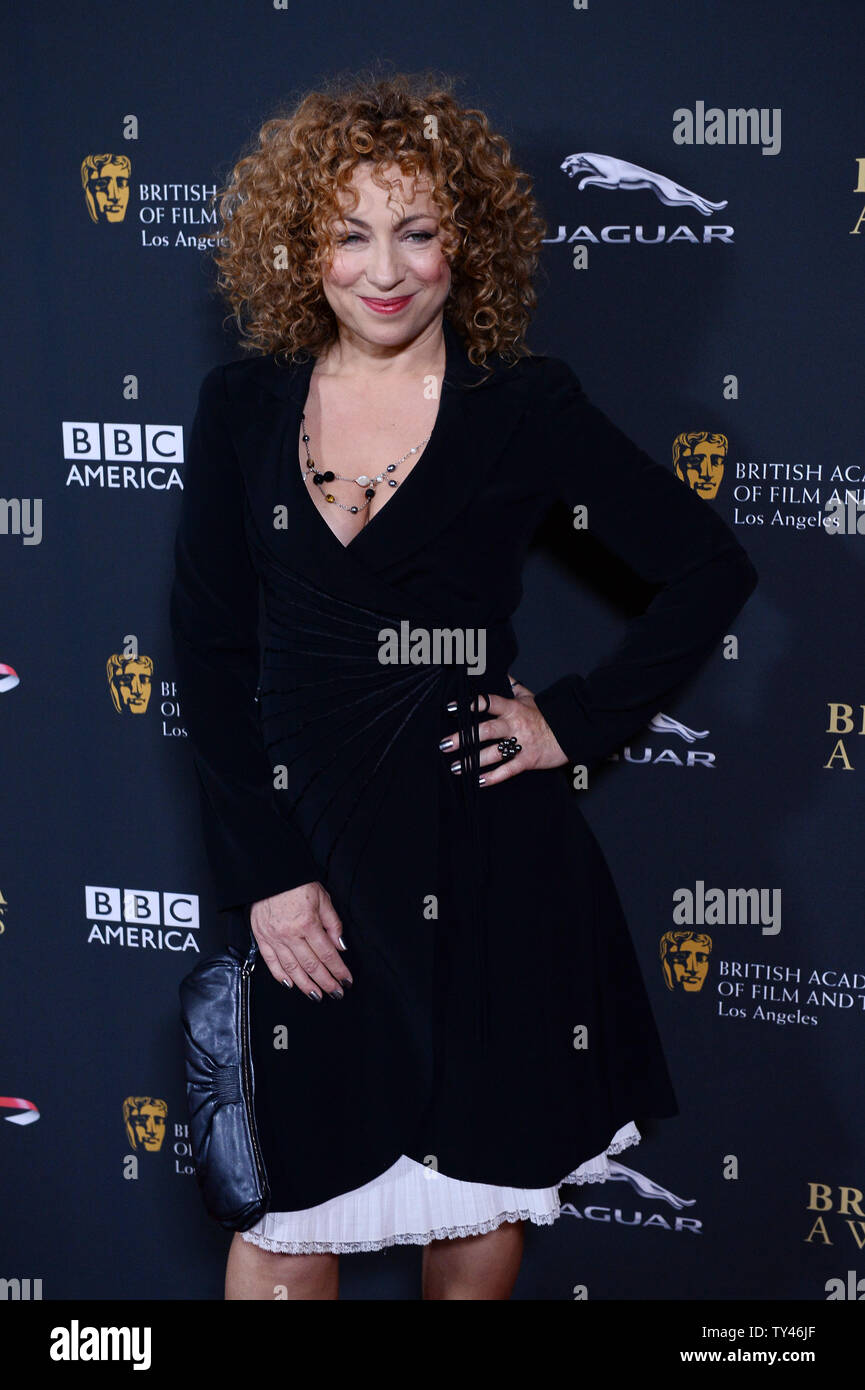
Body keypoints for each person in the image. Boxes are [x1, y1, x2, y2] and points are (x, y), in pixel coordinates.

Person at [169, 71, 758, 1301]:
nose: (384, 268)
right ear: (302, 247)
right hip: (311, 872)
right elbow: (214, 660)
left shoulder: (520, 406)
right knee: (283, 1221)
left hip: (485, 860)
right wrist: (267, 874)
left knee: (475, 1195)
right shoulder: (242, 409)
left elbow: (707, 565)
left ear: (464, 242)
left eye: (417, 231)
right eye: (348, 233)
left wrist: (575, 721)